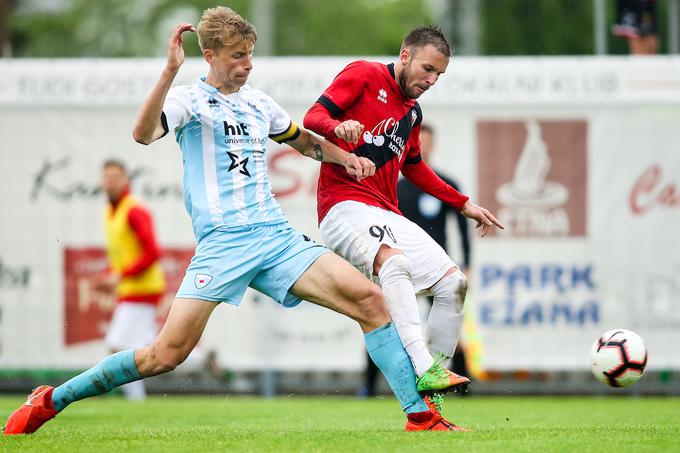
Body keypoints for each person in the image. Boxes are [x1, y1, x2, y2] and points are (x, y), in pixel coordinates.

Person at [4, 7, 463, 435]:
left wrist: (348, 157)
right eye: (238, 56)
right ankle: (54, 399)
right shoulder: (189, 101)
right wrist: (168, 72)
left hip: (276, 237)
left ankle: (421, 417)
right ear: (210, 56)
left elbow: (305, 142)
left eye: (250, 55)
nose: (247, 65)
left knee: (370, 300)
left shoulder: (259, 104)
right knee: (165, 355)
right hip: (224, 243)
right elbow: (143, 134)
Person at [304, 26, 504, 410]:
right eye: (427, 69)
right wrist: (337, 127)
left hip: (382, 211)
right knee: (394, 263)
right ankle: (423, 364)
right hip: (342, 206)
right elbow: (313, 117)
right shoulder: (364, 74)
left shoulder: (412, 112)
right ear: (405, 55)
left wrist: (463, 203)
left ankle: (434, 398)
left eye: (439, 75)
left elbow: (414, 167)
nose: (431, 80)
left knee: (453, 284)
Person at [360, 124, 471, 397]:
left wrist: (467, 262)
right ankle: (369, 386)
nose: (424, 146)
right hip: (397, 267)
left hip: (434, 267)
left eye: (428, 142)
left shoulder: (446, 185)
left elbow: (462, 227)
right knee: (384, 321)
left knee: (449, 324)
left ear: (432, 146)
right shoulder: (396, 187)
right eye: (419, 141)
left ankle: (460, 385)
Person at [91, 159, 166, 401]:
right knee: (150, 348)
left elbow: (152, 252)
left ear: (126, 180)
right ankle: (201, 357)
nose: (109, 182)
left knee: (118, 345)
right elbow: (124, 255)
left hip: (143, 289)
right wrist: (110, 277)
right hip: (132, 288)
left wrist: (119, 276)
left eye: (114, 177)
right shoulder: (110, 212)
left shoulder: (133, 210)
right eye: (106, 177)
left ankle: (137, 401)